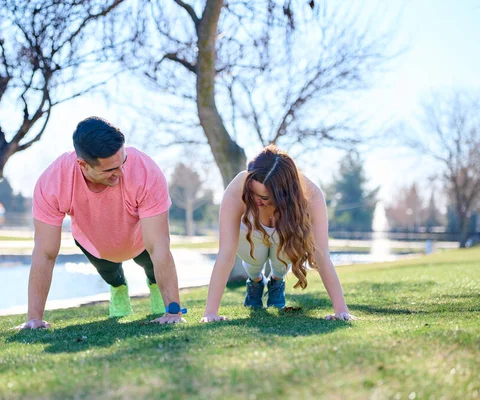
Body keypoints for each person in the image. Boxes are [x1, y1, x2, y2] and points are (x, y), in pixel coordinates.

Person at [19, 117, 186, 329]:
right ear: (83, 165)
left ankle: (155, 288)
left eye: (122, 162)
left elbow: (159, 246)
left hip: (139, 238)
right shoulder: (54, 181)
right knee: (111, 274)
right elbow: (45, 253)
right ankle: (118, 289)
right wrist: (34, 319)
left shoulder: (145, 170)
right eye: (109, 170)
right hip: (95, 242)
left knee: (151, 267)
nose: (121, 173)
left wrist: (173, 311)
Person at [200, 145, 355, 322]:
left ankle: (277, 281)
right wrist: (210, 313)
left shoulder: (311, 195)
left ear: (283, 194)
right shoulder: (237, 190)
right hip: (250, 238)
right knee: (255, 260)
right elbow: (226, 254)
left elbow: (321, 254)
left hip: (285, 235)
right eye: (252, 193)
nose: (257, 200)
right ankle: (256, 281)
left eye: (264, 197)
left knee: (282, 255)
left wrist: (341, 310)